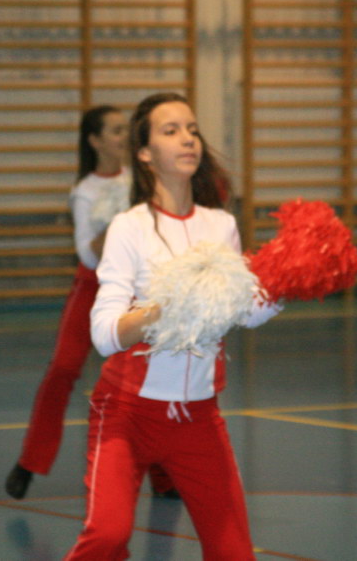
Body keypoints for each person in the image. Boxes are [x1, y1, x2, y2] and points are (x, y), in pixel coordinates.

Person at [64, 93, 282, 560]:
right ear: (144, 153)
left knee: (234, 554)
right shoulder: (129, 228)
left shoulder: (221, 226)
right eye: (171, 131)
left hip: (199, 418)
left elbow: (244, 313)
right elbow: (104, 335)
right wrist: (165, 308)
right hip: (127, 415)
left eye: (192, 129)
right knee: (107, 537)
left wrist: (288, 281)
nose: (188, 139)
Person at [6, 106, 176, 500]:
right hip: (93, 287)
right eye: (115, 131)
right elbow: (87, 253)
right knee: (63, 369)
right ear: (95, 141)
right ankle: (30, 461)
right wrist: (121, 226)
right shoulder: (85, 191)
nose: (123, 137)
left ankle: (163, 475)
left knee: (150, 375)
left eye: (125, 130)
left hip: (138, 289)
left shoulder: (143, 178)